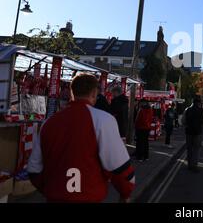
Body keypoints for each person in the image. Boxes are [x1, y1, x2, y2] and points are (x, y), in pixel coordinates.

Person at [27, 74, 135, 203]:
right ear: (94, 93)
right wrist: (125, 193)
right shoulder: (104, 120)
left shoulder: (49, 122)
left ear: (72, 92)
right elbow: (119, 165)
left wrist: (50, 190)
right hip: (88, 196)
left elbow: (34, 168)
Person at [181, 97, 203, 172]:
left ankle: (189, 165)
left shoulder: (187, 109)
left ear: (192, 102)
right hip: (198, 132)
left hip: (189, 132)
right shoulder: (202, 110)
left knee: (189, 149)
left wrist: (187, 124)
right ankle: (194, 165)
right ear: (199, 103)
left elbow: (183, 121)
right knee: (196, 149)